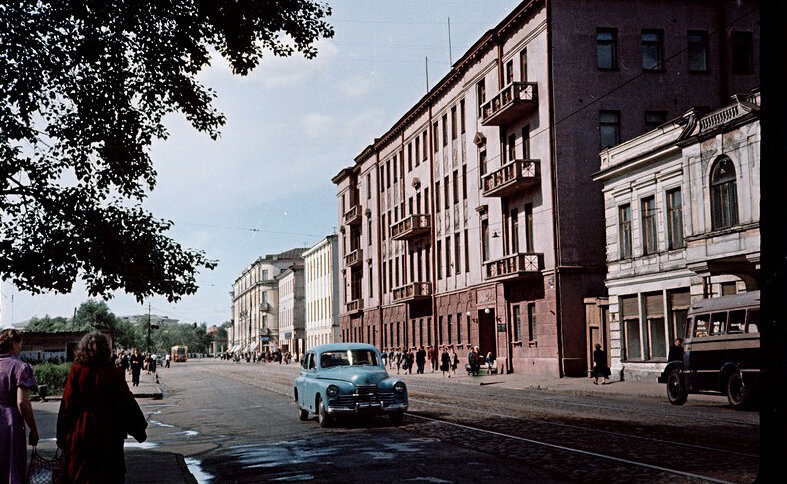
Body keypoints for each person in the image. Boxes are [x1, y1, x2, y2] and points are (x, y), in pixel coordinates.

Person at [57, 331, 147, 484]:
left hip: (82, 428)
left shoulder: (77, 370)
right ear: (106, 349)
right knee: (108, 473)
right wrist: (138, 429)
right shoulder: (113, 371)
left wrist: (61, 434)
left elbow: (67, 404)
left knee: (81, 473)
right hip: (109, 430)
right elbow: (126, 402)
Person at [1, 329, 39, 484]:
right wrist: (34, 429)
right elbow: (22, 402)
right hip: (10, 423)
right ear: (14, 344)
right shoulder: (20, 367)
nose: (21, 346)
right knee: (12, 467)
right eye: (20, 342)